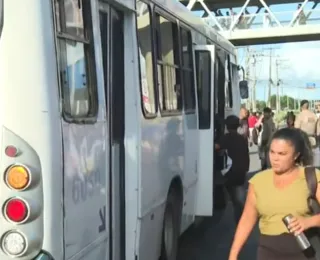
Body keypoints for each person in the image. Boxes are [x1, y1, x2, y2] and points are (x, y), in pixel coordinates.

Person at [228, 128, 320, 260]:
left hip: (305, 251)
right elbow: (247, 219)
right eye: (272, 152)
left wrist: (308, 222)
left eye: (282, 154)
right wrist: (233, 255)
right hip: (268, 252)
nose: (275, 158)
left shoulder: (311, 177)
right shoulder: (259, 181)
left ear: (296, 155)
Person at [215, 115, 250, 223]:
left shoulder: (226, 138)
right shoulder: (242, 139)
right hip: (241, 172)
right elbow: (246, 154)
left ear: (226, 126)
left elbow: (216, 147)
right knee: (238, 200)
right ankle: (241, 221)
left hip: (229, 173)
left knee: (231, 197)